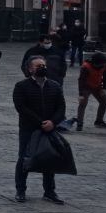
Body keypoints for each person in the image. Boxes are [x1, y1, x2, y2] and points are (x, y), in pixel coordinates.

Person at [12, 56, 66, 204]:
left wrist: (53, 122)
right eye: (38, 66)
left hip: (49, 128)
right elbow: (21, 108)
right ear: (30, 69)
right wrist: (40, 122)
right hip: (29, 129)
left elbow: (61, 107)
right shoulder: (21, 86)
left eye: (43, 65)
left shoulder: (54, 86)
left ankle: (49, 191)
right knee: (24, 158)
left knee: (49, 158)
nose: (42, 67)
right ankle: (20, 190)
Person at [75, 51, 106, 130]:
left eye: (103, 64)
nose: (102, 65)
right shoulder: (86, 67)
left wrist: (104, 88)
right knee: (83, 104)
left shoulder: (104, 65)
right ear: (95, 63)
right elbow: (81, 81)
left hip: (97, 86)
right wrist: (81, 94)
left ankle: (99, 121)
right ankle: (79, 124)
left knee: (104, 102)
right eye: (100, 64)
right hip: (86, 87)